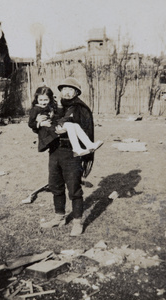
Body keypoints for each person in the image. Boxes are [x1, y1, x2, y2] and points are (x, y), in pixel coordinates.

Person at [37, 77, 98, 236]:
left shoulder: (79, 108)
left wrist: (60, 124)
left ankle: (77, 222)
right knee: (55, 185)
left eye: (70, 89)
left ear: (76, 92)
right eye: (63, 89)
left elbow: (71, 121)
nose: (66, 92)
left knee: (74, 189)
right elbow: (43, 122)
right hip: (55, 151)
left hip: (72, 153)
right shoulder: (55, 106)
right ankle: (59, 216)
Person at [28, 86, 103, 156]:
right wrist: (40, 123)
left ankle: (89, 144)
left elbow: (59, 116)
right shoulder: (35, 109)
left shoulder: (50, 107)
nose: (43, 102)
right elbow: (31, 124)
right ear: (37, 99)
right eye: (40, 100)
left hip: (54, 126)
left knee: (75, 125)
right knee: (70, 125)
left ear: (50, 99)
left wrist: (58, 107)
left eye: (46, 100)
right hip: (50, 130)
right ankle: (76, 149)